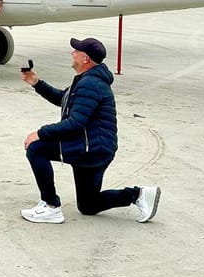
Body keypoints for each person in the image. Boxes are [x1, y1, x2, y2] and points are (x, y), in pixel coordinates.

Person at [19, 37, 159, 224]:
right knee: (88, 204)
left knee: (36, 148)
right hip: (96, 147)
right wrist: (37, 83)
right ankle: (138, 194)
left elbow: (75, 122)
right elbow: (64, 99)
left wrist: (40, 133)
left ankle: (50, 206)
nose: (72, 53)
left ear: (86, 59)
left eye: (76, 51)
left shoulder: (90, 84)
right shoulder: (88, 80)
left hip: (90, 147)